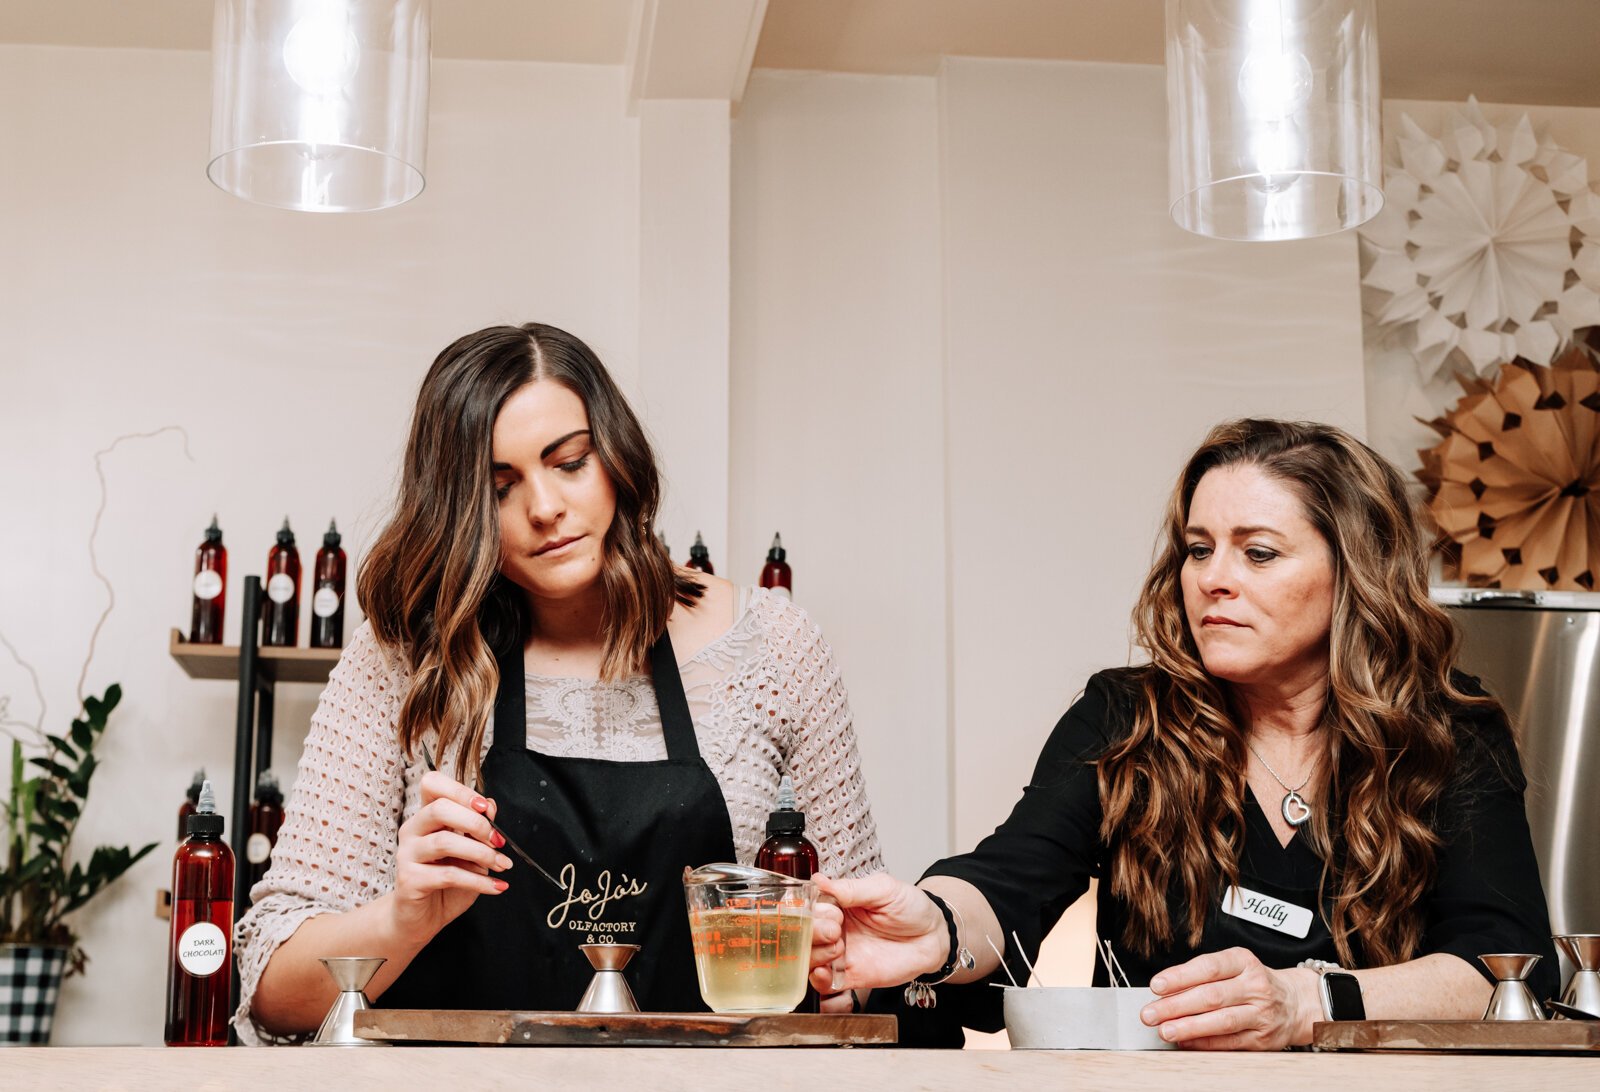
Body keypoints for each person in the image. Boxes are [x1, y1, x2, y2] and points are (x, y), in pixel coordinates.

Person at [810, 418, 1557, 1049]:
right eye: (1199, 549)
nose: (1211, 578)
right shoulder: (1128, 715)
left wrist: (1308, 1002)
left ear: (1356, 573)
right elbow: (1009, 879)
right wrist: (936, 926)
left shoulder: (1449, 734)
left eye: (1257, 552)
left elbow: (1503, 971)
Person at [233, 322, 882, 1043]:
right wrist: (401, 918)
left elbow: (862, 964)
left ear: (616, 457)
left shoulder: (776, 648)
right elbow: (271, 991)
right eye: (499, 487)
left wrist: (831, 970)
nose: (544, 507)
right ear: (459, 510)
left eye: (569, 463)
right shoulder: (406, 662)